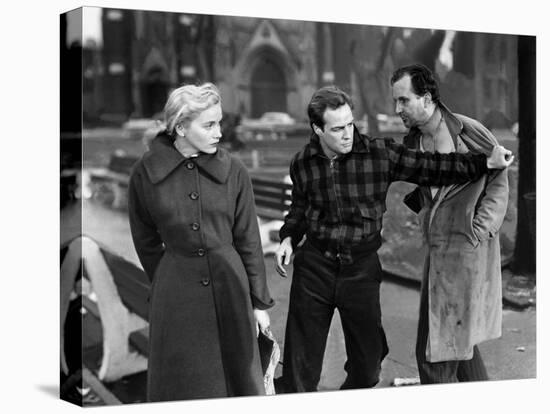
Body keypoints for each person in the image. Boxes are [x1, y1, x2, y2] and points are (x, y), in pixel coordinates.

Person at [274, 85, 513, 393]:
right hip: (314, 269)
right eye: (337, 129)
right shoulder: (302, 162)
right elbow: (300, 208)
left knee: (368, 369)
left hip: (360, 270)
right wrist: (288, 238)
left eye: (350, 124)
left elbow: (434, 167)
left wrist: (484, 163)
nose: (348, 134)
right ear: (317, 129)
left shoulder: (379, 153)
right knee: (299, 374)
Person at [128, 83, 274, 402]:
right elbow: (144, 239)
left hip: (231, 289)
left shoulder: (234, 171)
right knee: (183, 387)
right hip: (176, 297)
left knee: (239, 384)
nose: (219, 132)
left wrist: (259, 302)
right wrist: (170, 278)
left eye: (219, 122)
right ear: (180, 126)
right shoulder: (145, 173)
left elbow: (248, 238)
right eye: (208, 124)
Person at [391, 63, 509, 383]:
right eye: (396, 101)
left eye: (403, 100)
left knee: (435, 353)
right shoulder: (412, 144)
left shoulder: (469, 132)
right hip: (436, 252)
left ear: (427, 98)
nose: (397, 109)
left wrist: (480, 228)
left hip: (466, 251)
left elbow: (499, 178)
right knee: (456, 342)